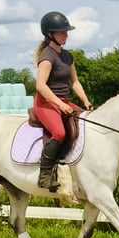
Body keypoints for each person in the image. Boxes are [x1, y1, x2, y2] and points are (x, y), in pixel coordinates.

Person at [34, 11, 93, 191]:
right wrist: (59, 104)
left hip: (64, 101)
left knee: (86, 121)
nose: (66, 35)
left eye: (66, 32)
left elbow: (74, 82)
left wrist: (85, 102)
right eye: (61, 32)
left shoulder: (67, 56)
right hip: (45, 103)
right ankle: (45, 175)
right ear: (50, 34)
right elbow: (40, 86)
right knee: (59, 132)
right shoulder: (47, 56)